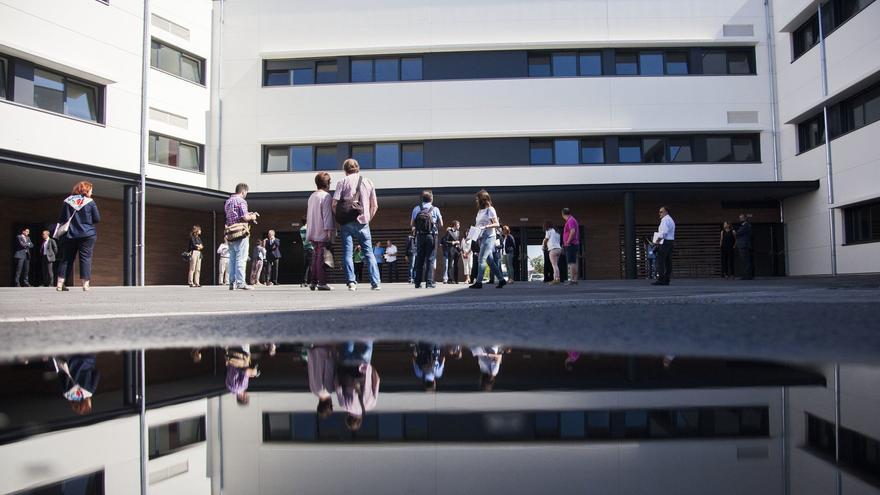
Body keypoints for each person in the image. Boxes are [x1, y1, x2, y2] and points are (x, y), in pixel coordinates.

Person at [332, 159, 381, 291]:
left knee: (348, 253)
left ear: (345, 170)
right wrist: (367, 218)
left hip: (346, 222)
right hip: (363, 222)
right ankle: (375, 283)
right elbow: (374, 205)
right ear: (358, 168)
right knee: (369, 253)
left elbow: (334, 204)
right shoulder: (368, 182)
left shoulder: (342, 182)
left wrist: (339, 217)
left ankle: (351, 282)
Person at [56, 181, 101, 292]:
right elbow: (97, 219)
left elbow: (62, 218)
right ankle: (85, 284)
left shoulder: (67, 201)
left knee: (66, 258)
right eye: (91, 190)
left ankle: (60, 284)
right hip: (87, 234)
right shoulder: (90, 202)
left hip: (69, 234)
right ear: (86, 190)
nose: (91, 192)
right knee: (85, 258)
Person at [336, 341, 379, 431]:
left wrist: (369, 368)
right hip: (346, 365)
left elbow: (377, 380)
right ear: (347, 417)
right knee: (348, 336)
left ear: (360, 420)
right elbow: (338, 387)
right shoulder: (344, 405)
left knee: (368, 336)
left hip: (364, 364)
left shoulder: (371, 405)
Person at [224, 183, 259, 290]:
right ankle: (241, 282)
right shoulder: (241, 201)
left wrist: (248, 214)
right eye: (246, 193)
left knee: (232, 259)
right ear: (243, 191)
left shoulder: (228, 201)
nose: (246, 194)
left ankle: (232, 283)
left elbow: (233, 216)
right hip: (240, 232)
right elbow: (244, 217)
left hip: (231, 232)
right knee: (241, 258)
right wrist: (252, 216)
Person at [470, 190, 505, 289]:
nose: (476, 200)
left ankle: (479, 282)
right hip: (481, 237)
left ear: (483, 199)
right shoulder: (480, 211)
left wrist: (486, 226)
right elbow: (478, 225)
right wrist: (473, 234)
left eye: (478, 198)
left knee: (481, 259)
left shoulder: (490, 209)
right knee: (490, 261)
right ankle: (501, 280)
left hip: (489, 237)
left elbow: (496, 224)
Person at [306, 172, 335, 291]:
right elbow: (327, 215)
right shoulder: (326, 196)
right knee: (321, 258)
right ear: (327, 183)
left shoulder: (312, 196)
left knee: (315, 257)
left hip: (312, 231)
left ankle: (313, 282)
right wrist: (329, 231)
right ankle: (322, 283)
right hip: (322, 231)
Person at [411, 190, 444, 289]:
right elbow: (441, 224)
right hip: (432, 236)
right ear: (431, 199)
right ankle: (429, 283)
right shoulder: (435, 209)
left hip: (420, 236)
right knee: (430, 259)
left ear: (422, 199)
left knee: (420, 259)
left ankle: (417, 283)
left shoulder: (416, 208)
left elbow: (411, 224)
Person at [307, 345, 337, 418]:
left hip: (325, 350)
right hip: (314, 352)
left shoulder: (327, 391)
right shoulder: (313, 391)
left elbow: (329, 369)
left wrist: (332, 353)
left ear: (329, 405)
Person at [652, 206, 675, 286]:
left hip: (665, 242)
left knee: (660, 261)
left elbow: (664, 233)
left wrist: (657, 241)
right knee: (668, 261)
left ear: (666, 212)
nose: (659, 213)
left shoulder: (665, 220)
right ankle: (666, 279)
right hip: (670, 242)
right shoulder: (671, 220)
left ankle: (661, 279)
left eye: (661, 212)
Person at [561, 208, 580, 285]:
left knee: (571, 262)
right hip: (573, 244)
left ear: (562, 214)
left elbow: (573, 231)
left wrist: (568, 241)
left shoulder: (570, 220)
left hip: (571, 244)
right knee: (574, 262)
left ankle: (572, 280)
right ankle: (574, 280)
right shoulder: (572, 219)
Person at [735, 214, 754, 280]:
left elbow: (738, 233)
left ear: (745, 218)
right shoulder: (744, 226)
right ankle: (747, 274)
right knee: (745, 261)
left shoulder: (746, 225)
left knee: (746, 261)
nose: (740, 219)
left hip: (744, 245)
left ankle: (747, 275)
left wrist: (736, 233)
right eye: (740, 218)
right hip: (743, 245)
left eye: (742, 218)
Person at [299, 218, 312, 287]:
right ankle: (313, 281)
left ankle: (303, 281)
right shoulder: (307, 229)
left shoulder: (301, 229)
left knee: (306, 266)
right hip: (310, 248)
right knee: (312, 265)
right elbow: (310, 238)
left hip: (305, 249)